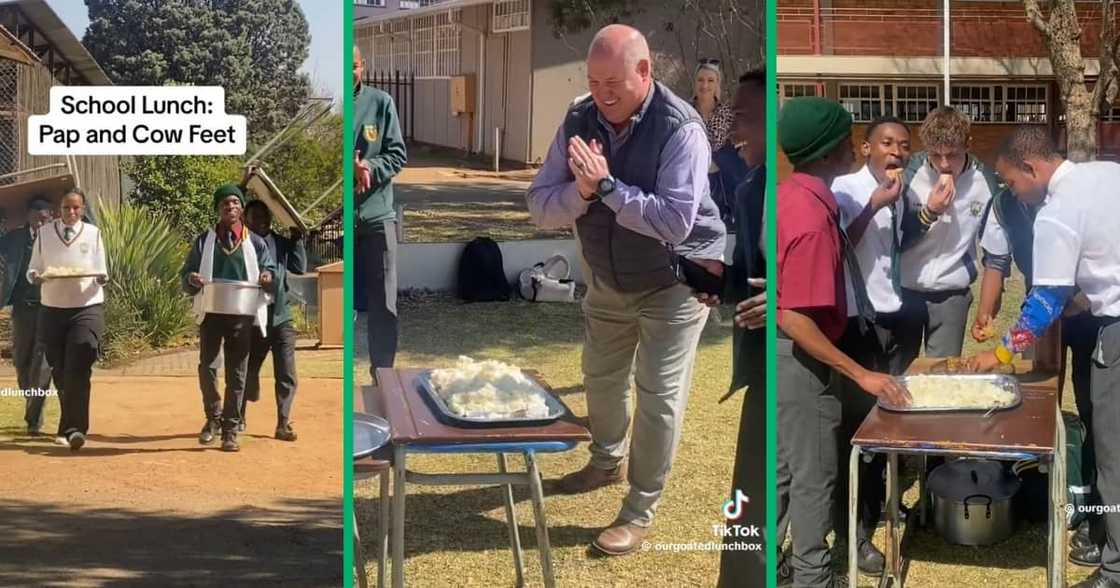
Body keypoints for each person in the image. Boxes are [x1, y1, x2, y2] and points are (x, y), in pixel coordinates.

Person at [525, 24, 726, 555]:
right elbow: (540, 204)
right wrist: (581, 191)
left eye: (613, 80)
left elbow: (675, 221)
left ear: (645, 72)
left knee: (658, 396)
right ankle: (605, 461)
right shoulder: (577, 117)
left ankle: (638, 511)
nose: (602, 93)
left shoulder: (681, 127)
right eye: (593, 81)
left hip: (675, 282)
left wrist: (608, 188)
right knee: (599, 380)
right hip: (607, 277)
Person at [965, 126, 1120, 588]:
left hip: (1114, 331)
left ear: (1032, 168)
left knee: (1113, 453)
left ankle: (1115, 569)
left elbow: (1044, 302)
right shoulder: (1107, 173)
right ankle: (1103, 537)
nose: (1014, 193)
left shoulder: (1055, 212)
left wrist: (998, 353)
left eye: (1012, 182)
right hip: (1104, 313)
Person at [775, 96, 910, 587]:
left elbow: (831, 253)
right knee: (814, 478)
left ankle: (770, 562)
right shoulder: (811, 217)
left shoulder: (804, 194)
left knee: (787, 470)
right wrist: (862, 374)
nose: (856, 145)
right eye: (848, 137)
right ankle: (813, 576)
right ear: (831, 152)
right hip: (801, 362)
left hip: (794, 357)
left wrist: (871, 207)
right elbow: (795, 319)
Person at [828, 116, 912, 576]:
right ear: (866, 148)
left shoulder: (902, 191)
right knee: (856, 433)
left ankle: (877, 509)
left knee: (887, 427)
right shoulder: (846, 189)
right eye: (885, 143)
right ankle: (852, 535)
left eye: (902, 145)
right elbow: (838, 248)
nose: (895, 152)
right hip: (857, 323)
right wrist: (875, 206)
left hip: (892, 317)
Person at [696, 69, 767, 587]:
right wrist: (721, 285)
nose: (732, 128)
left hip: (819, 364)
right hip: (766, 364)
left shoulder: (813, 189)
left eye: (742, 116)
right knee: (752, 494)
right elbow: (751, 274)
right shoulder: (751, 187)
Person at [896, 106, 1010, 365]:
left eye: (953, 155)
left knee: (942, 375)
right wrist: (930, 211)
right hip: (904, 292)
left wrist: (987, 308)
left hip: (951, 296)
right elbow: (894, 239)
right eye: (935, 155)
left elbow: (996, 252)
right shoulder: (910, 173)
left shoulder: (985, 181)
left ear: (968, 144)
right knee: (899, 374)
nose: (944, 164)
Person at [181, 184, 277, 452]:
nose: (231, 207)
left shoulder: (254, 242)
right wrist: (191, 279)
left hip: (241, 316)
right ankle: (213, 418)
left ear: (241, 208)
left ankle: (231, 429)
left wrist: (268, 277)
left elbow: (268, 269)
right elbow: (186, 273)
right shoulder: (204, 241)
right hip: (211, 313)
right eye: (225, 203)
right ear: (217, 208)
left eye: (235, 203)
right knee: (207, 368)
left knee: (237, 373)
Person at [26, 188, 108, 452]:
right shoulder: (45, 234)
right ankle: (66, 425)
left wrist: (101, 278)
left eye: (76, 208)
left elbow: (101, 270)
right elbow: (33, 267)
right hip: (52, 308)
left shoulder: (93, 234)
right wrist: (35, 276)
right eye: (66, 208)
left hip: (87, 307)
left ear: (83, 209)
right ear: (58, 210)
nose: (71, 213)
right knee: (60, 371)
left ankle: (76, 429)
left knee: (79, 366)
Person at [354, 44, 407, 381]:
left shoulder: (381, 103)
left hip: (377, 220)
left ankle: (383, 377)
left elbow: (398, 155)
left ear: (363, 66)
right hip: (342, 223)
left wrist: (370, 166)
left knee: (384, 305)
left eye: (354, 67)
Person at [242, 200, 306, 442]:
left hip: (281, 318)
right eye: (255, 217)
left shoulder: (280, 242)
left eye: (264, 217)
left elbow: (300, 268)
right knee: (247, 369)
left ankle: (283, 423)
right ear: (245, 220)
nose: (261, 221)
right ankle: (239, 418)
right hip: (252, 319)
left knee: (287, 373)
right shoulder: (242, 244)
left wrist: (297, 239)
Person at [1, 197, 54, 436]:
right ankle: (31, 401)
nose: (42, 223)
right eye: (38, 218)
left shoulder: (58, 239)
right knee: (22, 362)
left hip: (49, 308)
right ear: (28, 216)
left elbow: (87, 224)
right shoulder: (13, 238)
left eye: (46, 218)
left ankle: (35, 419)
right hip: (22, 309)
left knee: (41, 365)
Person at [692, 59, 746, 225]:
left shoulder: (728, 113)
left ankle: (733, 212)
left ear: (717, 84)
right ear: (694, 83)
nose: (705, 85)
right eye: (700, 80)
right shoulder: (686, 111)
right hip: (694, 170)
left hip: (724, 176)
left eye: (710, 80)